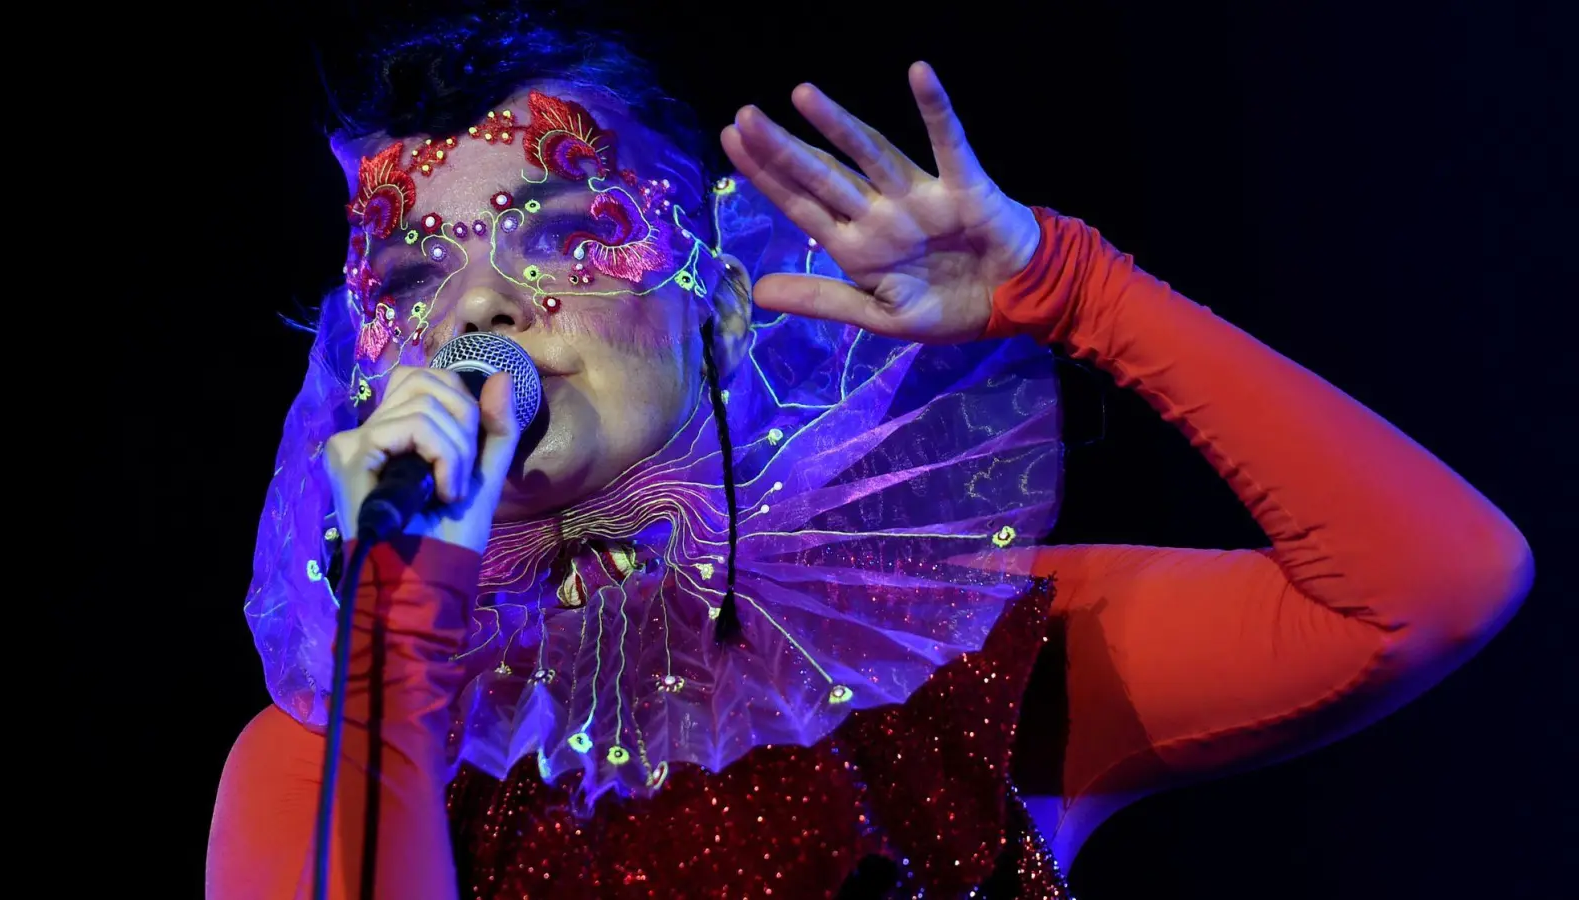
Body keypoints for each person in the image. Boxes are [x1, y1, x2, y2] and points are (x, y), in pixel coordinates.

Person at [208, 9, 1532, 899]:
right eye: (410, 276)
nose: (483, 307)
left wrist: (1079, 291)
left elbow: (1433, 588)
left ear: (721, 307)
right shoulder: (319, 754)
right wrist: (397, 627)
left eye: (563, 233)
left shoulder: (935, 646)